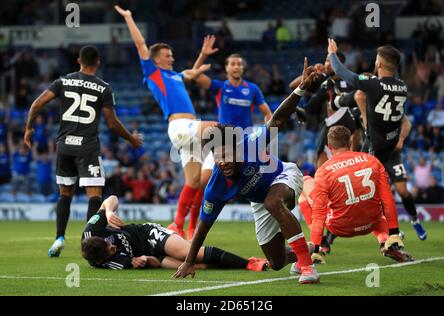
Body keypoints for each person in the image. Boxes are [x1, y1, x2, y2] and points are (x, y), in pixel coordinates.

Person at [174, 58, 320, 285]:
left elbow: (278, 118)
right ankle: (305, 251)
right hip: (259, 200)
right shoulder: (217, 185)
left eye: (227, 155)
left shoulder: (250, 143)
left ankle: (308, 268)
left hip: (285, 177)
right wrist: (189, 261)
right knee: (276, 262)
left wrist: (301, 89)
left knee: (273, 202)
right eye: (217, 157)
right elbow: (205, 223)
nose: (223, 162)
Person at [24, 45, 142, 257]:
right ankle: (89, 241)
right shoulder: (103, 87)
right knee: (94, 195)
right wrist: (132, 139)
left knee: (65, 194)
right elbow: (112, 124)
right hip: (87, 147)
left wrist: (29, 128)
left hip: (64, 146)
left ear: (79, 61)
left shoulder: (63, 81)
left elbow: (36, 104)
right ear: (98, 62)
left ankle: (59, 238)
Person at [115, 5, 217, 240]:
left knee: (197, 182)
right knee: (221, 130)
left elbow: (192, 73)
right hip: (181, 128)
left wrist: (203, 53)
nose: (172, 57)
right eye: (167, 55)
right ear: (156, 59)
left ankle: (185, 228)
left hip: (190, 131)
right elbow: (141, 45)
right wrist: (130, 17)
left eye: (172, 55)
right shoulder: (153, 73)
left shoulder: (176, 75)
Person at [327, 38, 428, 241]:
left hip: (382, 149)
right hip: (384, 147)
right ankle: (331, 238)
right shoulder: (402, 87)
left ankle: (412, 221)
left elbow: (343, 73)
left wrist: (332, 54)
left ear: (379, 64)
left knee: (382, 189)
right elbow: (400, 117)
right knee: (373, 190)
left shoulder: (373, 85)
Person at [182, 35, 272, 240]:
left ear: (242, 68)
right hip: (222, 143)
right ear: (227, 68)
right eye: (232, 63)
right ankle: (191, 228)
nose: (236, 66)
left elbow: (267, 112)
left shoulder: (252, 89)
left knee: (262, 180)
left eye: (239, 63)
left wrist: (268, 135)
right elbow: (194, 76)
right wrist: (203, 54)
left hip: (245, 142)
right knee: (203, 181)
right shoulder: (221, 87)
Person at [298, 126, 414, 264]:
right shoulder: (372, 161)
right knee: (376, 211)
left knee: (304, 182)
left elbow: (319, 212)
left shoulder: (323, 171)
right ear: (351, 143)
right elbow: (388, 200)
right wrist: (394, 233)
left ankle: (321, 244)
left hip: (339, 226)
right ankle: (385, 241)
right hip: (371, 222)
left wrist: (315, 248)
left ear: (329, 147)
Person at [81, 195, 268, 272]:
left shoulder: (92, 231)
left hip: (147, 234)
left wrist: (108, 211)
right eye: (111, 249)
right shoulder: (113, 264)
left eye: (109, 242)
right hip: (151, 253)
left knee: (189, 253)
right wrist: (145, 259)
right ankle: (175, 233)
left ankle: (250, 264)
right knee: (197, 266)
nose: (113, 246)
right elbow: (154, 264)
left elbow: (111, 199)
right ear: (100, 261)